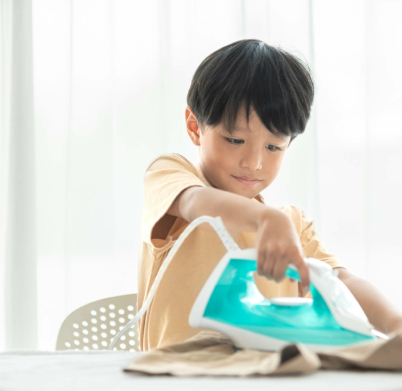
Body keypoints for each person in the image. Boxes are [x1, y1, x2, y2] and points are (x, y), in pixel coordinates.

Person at [137, 39, 402, 352]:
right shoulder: (172, 176)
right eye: (235, 140)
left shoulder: (292, 225)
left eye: (273, 147)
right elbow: (194, 202)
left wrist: (394, 325)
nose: (254, 163)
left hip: (265, 373)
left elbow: (341, 282)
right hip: (178, 373)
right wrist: (265, 220)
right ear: (195, 127)